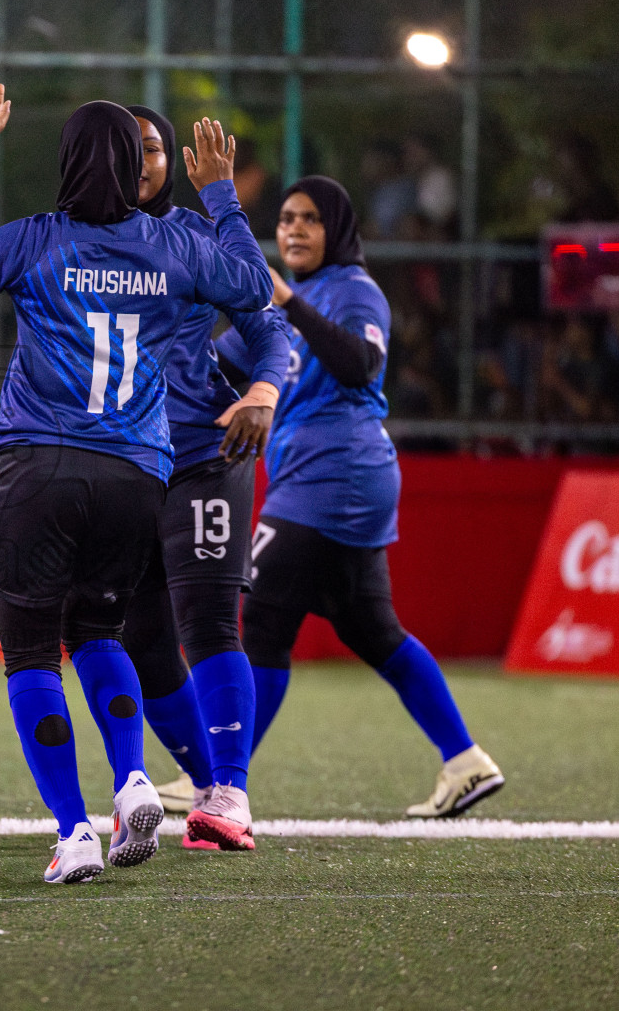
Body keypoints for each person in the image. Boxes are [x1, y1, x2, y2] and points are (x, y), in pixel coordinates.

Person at [0, 83, 275, 882]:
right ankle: (135, 777)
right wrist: (221, 198)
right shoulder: (175, 247)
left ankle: (74, 831)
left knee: (32, 654)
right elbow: (251, 285)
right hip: (139, 472)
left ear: (67, 162)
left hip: (42, 467)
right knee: (102, 636)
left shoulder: (38, 239)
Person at [215, 175, 505, 818]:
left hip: (337, 477)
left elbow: (359, 365)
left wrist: (288, 302)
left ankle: (220, 781)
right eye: (287, 218)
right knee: (374, 631)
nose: (293, 228)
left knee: (260, 619)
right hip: (316, 478)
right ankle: (465, 761)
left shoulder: (354, 292)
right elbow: (216, 368)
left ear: (337, 230)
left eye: (310, 219)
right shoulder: (275, 306)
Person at [113, 105, 289, 853]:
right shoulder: (65, 238)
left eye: (153, 148)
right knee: (138, 639)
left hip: (204, 456)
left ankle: (230, 796)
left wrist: (262, 391)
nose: (144, 160)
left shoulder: (196, 237)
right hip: (117, 465)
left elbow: (268, 329)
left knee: (210, 621)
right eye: (129, 149)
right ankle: (207, 783)